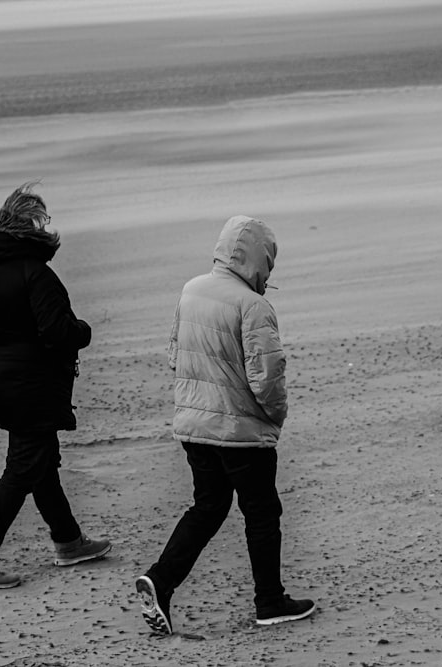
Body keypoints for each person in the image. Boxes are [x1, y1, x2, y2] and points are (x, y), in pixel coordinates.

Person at [136, 215, 316, 634]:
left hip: (195, 426)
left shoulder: (191, 289)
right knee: (262, 513)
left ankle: (160, 580)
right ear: (260, 260)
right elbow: (267, 377)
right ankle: (270, 601)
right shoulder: (253, 305)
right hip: (241, 433)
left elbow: (174, 355)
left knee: (208, 506)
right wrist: (275, 418)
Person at [0, 182, 111, 589]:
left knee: (41, 464)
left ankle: (69, 541)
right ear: (32, 233)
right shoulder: (37, 274)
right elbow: (57, 332)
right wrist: (83, 330)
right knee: (24, 468)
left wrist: (9, 339)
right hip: (35, 384)